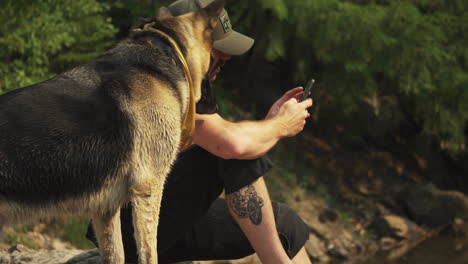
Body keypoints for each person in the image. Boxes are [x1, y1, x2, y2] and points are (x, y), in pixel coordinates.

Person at [87, 0, 314, 263]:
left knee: (286, 224)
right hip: (129, 228)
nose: (226, 58)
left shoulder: (185, 73)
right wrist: (279, 126)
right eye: (218, 47)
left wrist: (269, 124)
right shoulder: (158, 74)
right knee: (233, 152)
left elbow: (216, 141)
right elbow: (230, 146)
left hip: (163, 214)